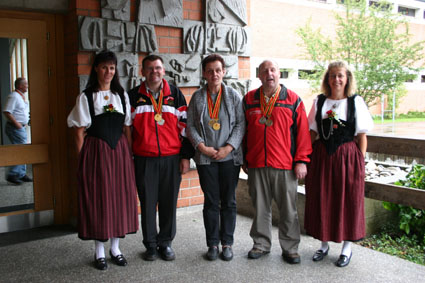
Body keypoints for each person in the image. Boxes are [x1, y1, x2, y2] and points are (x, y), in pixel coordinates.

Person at [67, 51, 139, 271]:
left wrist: (128, 154)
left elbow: (127, 128)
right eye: (104, 67)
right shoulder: (86, 97)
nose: (109, 72)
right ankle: (99, 252)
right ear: (96, 68)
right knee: (100, 199)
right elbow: (79, 132)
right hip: (96, 153)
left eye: (112, 68)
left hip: (119, 154)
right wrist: (83, 161)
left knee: (120, 198)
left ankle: (115, 249)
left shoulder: (121, 96)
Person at [304, 61, 373, 267]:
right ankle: (324, 245)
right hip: (323, 158)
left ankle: (346, 248)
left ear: (347, 78)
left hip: (347, 159)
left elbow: (361, 136)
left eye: (340, 75)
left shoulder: (355, 102)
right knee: (323, 197)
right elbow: (312, 133)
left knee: (347, 200)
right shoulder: (320, 102)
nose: (336, 79)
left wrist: (359, 163)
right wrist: (305, 158)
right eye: (333, 75)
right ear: (327, 79)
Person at [243, 60, 312, 264]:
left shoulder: (293, 100)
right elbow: (243, 131)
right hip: (257, 164)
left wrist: (301, 161)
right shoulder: (249, 99)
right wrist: (244, 157)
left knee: (288, 209)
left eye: (272, 70)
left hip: (285, 165)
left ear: (279, 74)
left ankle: (290, 248)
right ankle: (261, 244)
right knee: (260, 207)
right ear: (259, 76)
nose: (269, 74)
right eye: (265, 71)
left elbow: (303, 134)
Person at [129, 54, 193, 262]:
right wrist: (130, 157)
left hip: (171, 158)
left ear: (163, 71)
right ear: (142, 72)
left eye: (157, 68)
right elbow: (127, 130)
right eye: (149, 68)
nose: (154, 72)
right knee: (147, 202)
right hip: (144, 159)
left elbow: (185, 128)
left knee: (168, 202)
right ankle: (150, 245)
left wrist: (185, 157)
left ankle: (165, 243)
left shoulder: (175, 94)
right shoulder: (132, 96)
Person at [187, 54, 245, 261]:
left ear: (224, 72)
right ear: (204, 73)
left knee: (228, 201)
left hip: (229, 158)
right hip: (206, 159)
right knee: (211, 201)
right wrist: (202, 147)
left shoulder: (233, 95)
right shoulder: (197, 97)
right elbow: (190, 125)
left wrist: (228, 148)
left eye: (218, 70)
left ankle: (227, 243)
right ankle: (212, 244)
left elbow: (240, 124)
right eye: (210, 71)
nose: (214, 74)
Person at [2, 77, 32, 185]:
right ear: (20, 86)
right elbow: (7, 111)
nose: (27, 86)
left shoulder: (21, 97)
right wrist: (17, 124)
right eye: (26, 84)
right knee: (19, 150)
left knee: (22, 149)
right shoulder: (13, 96)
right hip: (15, 128)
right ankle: (13, 174)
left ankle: (21, 174)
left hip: (20, 127)